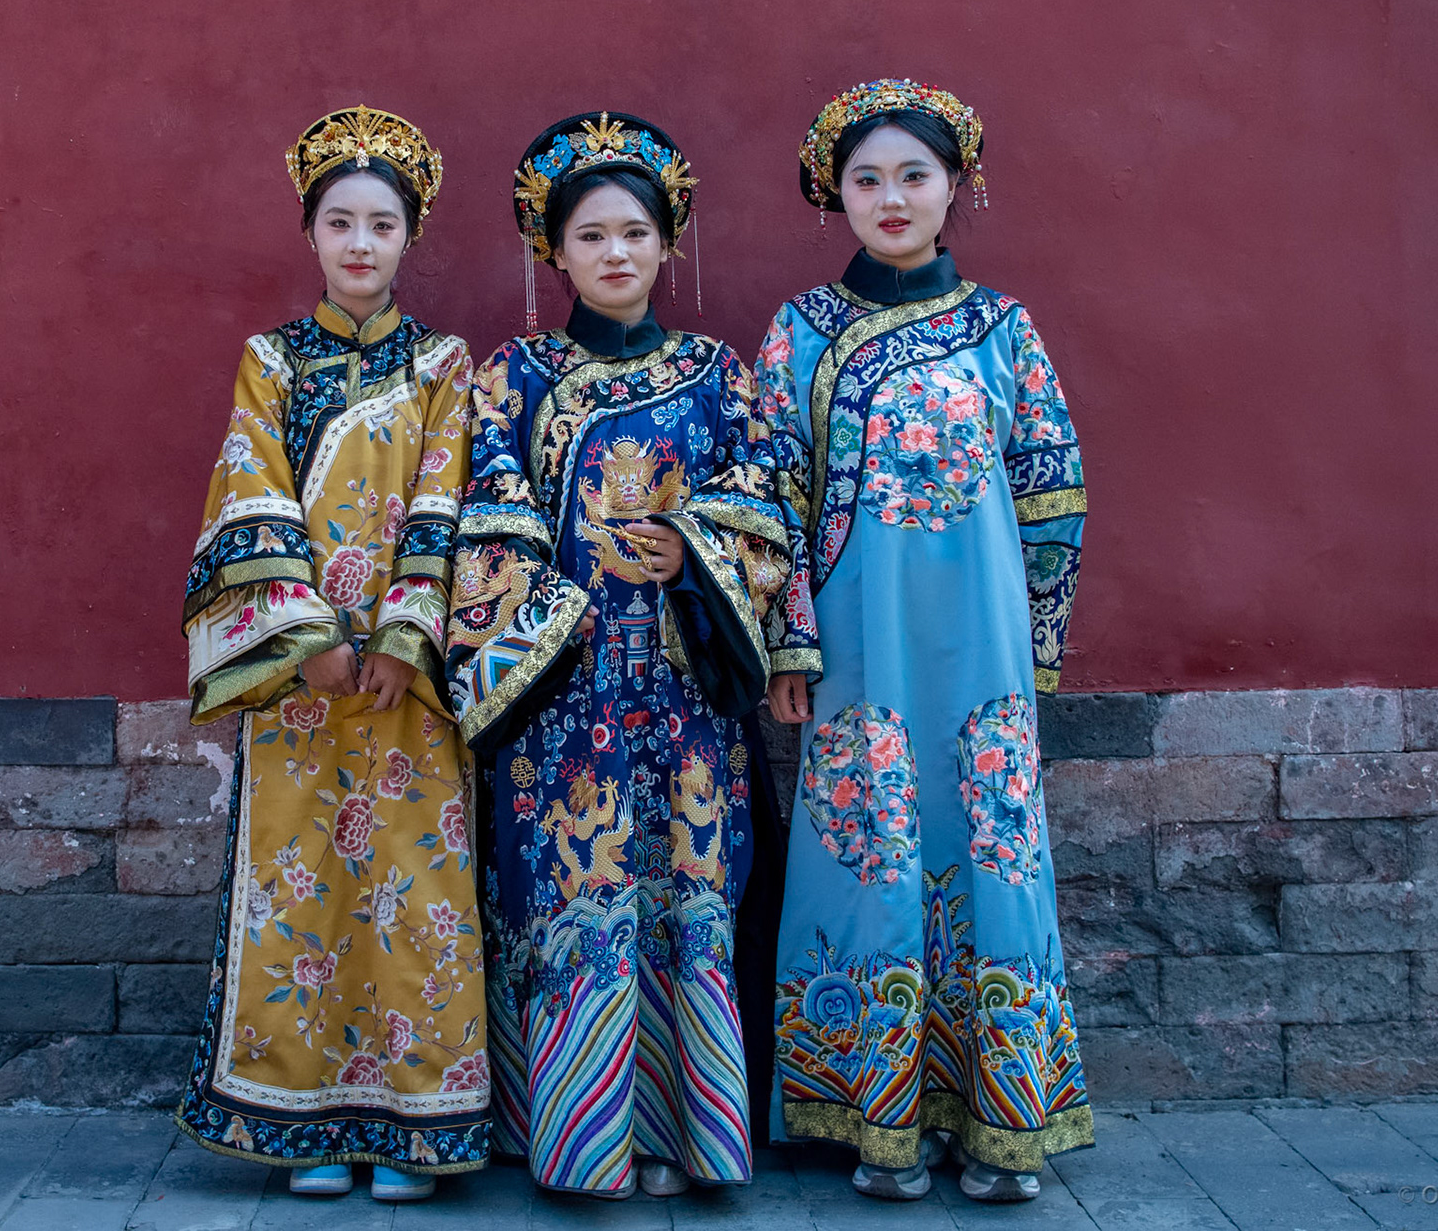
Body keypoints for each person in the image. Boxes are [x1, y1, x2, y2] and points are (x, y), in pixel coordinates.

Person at [757, 80, 1093, 1202]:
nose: (891, 197)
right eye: (866, 178)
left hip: (984, 653)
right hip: (860, 652)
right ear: (835, 194)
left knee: (994, 853)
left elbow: (1053, 494)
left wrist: (1038, 640)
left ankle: (1005, 1122)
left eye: (914, 175)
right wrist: (789, 642)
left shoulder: (1005, 331)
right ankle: (879, 1123)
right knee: (869, 854)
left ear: (958, 186)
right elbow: (772, 500)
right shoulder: (800, 333)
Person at [446, 112, 789, 1199]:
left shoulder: (719, 375)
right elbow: (485, 518)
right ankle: (584, 1139)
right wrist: (554, 611)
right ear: (553, 251)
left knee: (688, 897)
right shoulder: (513, 378)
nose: (615, 254)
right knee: (573, 897)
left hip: (688, 695)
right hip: (567, 695)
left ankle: (687, 1134)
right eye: (591, 236)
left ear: (667, 242)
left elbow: (766, 505)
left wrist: (691, 551)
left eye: (635, 233)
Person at [174, 106, 487, 1202]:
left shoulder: (444, 364)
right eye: (340, 222)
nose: (361, 243)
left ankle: (413, 1123)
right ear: (310, 233)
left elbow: (446, 499)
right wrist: (304, 636)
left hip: (408, 675)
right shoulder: (270, 361)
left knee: (415, 881)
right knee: (298, 882)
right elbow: (249, 493)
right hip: (300, 673)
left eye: (382, 225)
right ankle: (302, 1117)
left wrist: (406, 633)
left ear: (410, 238)